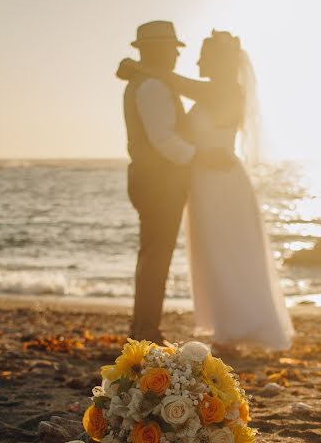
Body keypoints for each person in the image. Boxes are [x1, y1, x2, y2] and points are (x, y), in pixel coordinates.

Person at [118, 29, 294, 351]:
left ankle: (239, 326)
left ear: (218, 62)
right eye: (184, 52)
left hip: (221, 179)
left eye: (203, 55)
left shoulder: (223, 91)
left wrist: (138, 68)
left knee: (229, 250)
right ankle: (227, 325)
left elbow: (176, 83)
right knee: (215, 252)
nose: (194, 60)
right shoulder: (208, 91)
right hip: (205, 179)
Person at [122, 20, 234, 344]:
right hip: (157, 182)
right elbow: (164, 141)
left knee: (152, 255)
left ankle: (142, 326)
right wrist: (202, 157)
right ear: (156, 51)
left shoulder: (150, 82)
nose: (174, 56)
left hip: (151, 179)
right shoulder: (153, 87)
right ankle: (146, 329)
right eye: (171, 50)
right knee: (157, 256)